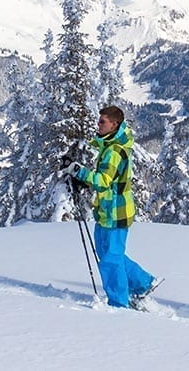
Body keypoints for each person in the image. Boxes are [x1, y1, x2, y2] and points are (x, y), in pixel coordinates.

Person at [73, 106, 159, 309]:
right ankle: (142, 283)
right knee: (107, 253)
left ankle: (119, 303)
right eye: (99, 120)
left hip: (116, 212)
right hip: (107, 211)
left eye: (103, 121)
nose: (98, 125)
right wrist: (85, 180)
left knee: (111, 258)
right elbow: (108, 181)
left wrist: (79, 172)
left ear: (114, 124)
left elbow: (103, 180)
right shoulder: (109, 147)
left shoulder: (113, 151)